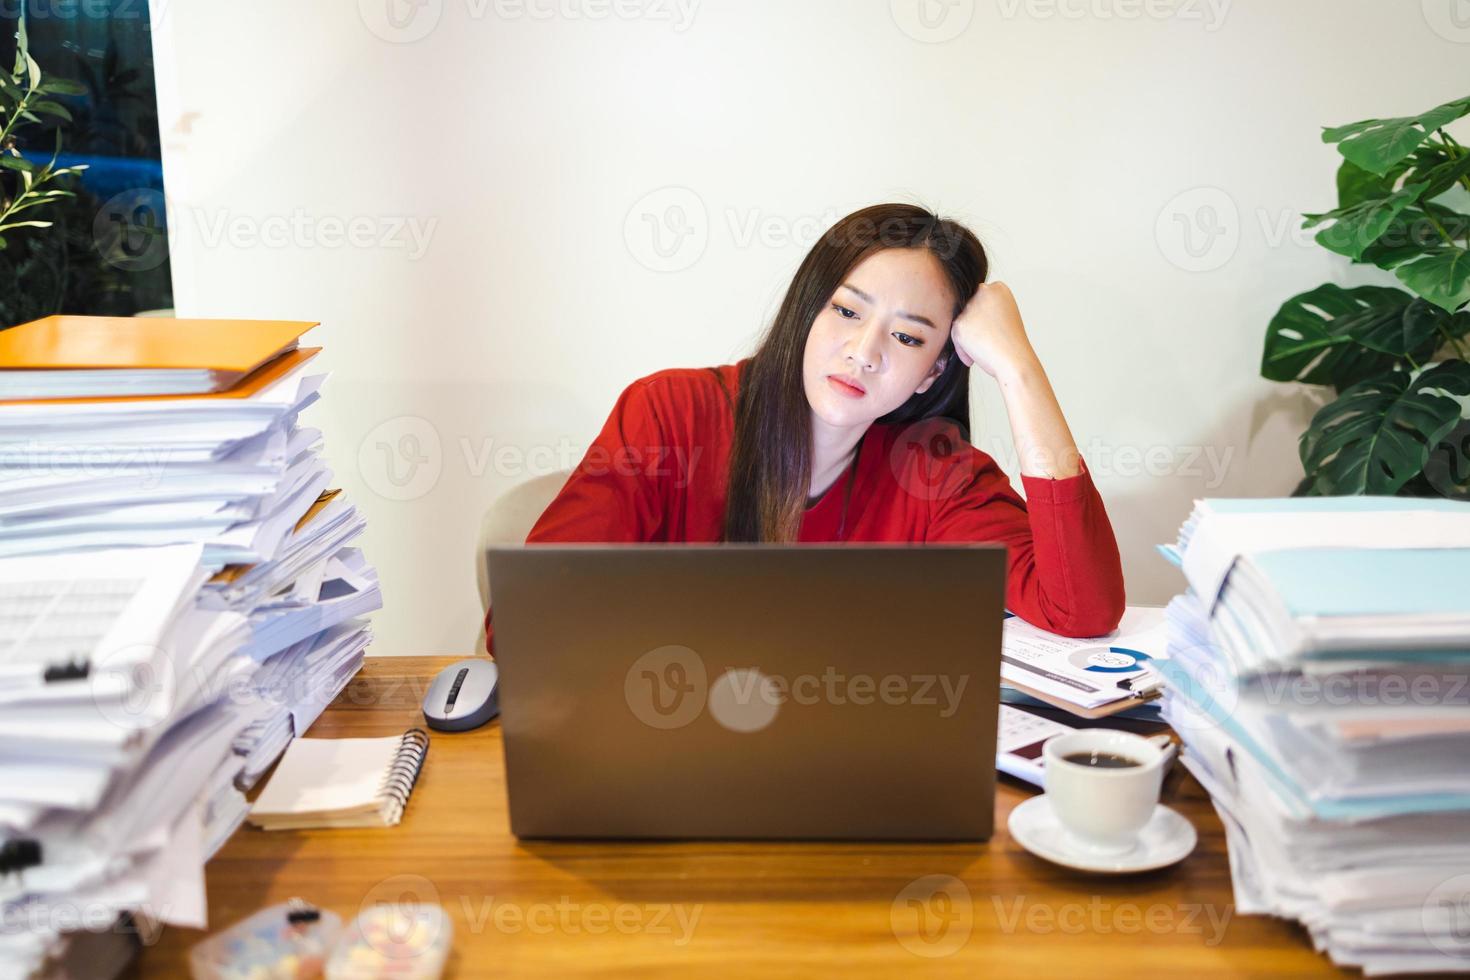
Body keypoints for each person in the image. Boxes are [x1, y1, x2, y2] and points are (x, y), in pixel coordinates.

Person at [483, 202, 1125, 654]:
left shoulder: (935, 472)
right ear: (806, 310)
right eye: (847, 310)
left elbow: (1082, 608)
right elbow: (526, 622)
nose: (864, 352)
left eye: (907, 336)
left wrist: (1018, 369)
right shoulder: (670, 413)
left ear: (932, 373)